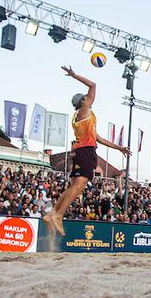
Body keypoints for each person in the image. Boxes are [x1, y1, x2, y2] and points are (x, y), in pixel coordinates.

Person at [42, 66, 131, 235]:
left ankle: (53, 213)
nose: (89, 98)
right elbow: (93, 85)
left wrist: (119, 147)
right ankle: (58, 215)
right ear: (82, 101)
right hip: (85, 152)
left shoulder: (83, 118)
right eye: (86, 98)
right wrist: (74, 75)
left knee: (74, 186)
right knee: (80, 185)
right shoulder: (85, 110)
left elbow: (99, 138)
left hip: (81, 151)